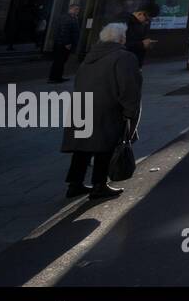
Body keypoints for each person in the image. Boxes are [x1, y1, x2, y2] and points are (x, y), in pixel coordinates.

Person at [61, 22, 142, 200]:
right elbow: (128, 87)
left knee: (82, 148)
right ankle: (99, 185)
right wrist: (130, 111)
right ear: (121, 38)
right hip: (108, 108)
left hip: (82, 106)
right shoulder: (124, 57)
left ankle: (75, 184)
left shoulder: (89, 57)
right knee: (105, 147)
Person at [47, 3, 82, 83]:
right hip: (62, 44)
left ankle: (57, 77)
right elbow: (64, 31)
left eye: (78, 9)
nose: (78, 11)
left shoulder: (72, 18)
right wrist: (67, 43)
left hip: (63, 43)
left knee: (61, 61)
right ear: (71, 9)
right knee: (59, 61)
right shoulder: (67, 18)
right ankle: (54, 78)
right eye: (76, 9)